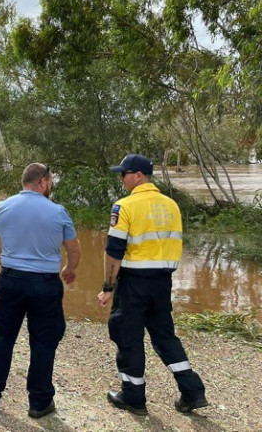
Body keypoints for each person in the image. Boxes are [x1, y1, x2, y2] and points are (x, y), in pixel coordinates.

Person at [97, 154, 208, 416]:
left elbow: (114, 252)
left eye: (123, 174)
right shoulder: (172, 206)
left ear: (137, 176)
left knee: (128, 336)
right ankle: (192, 391)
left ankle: (134, 397)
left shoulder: (124, 206)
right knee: (164, 336)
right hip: (162, 283)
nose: (121, 178)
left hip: (134, 283)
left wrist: (107, 286)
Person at [0, 163, 80, 418]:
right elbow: (74, 248)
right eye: (51, 181)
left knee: (2, 338)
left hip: (11, 281)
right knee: (44, 342)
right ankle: (40, 402)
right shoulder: (58, 211)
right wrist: (70, 268)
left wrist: (6, 264)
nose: (51, 185)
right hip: (45, 284)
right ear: (43, 182)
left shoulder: (2, 207)